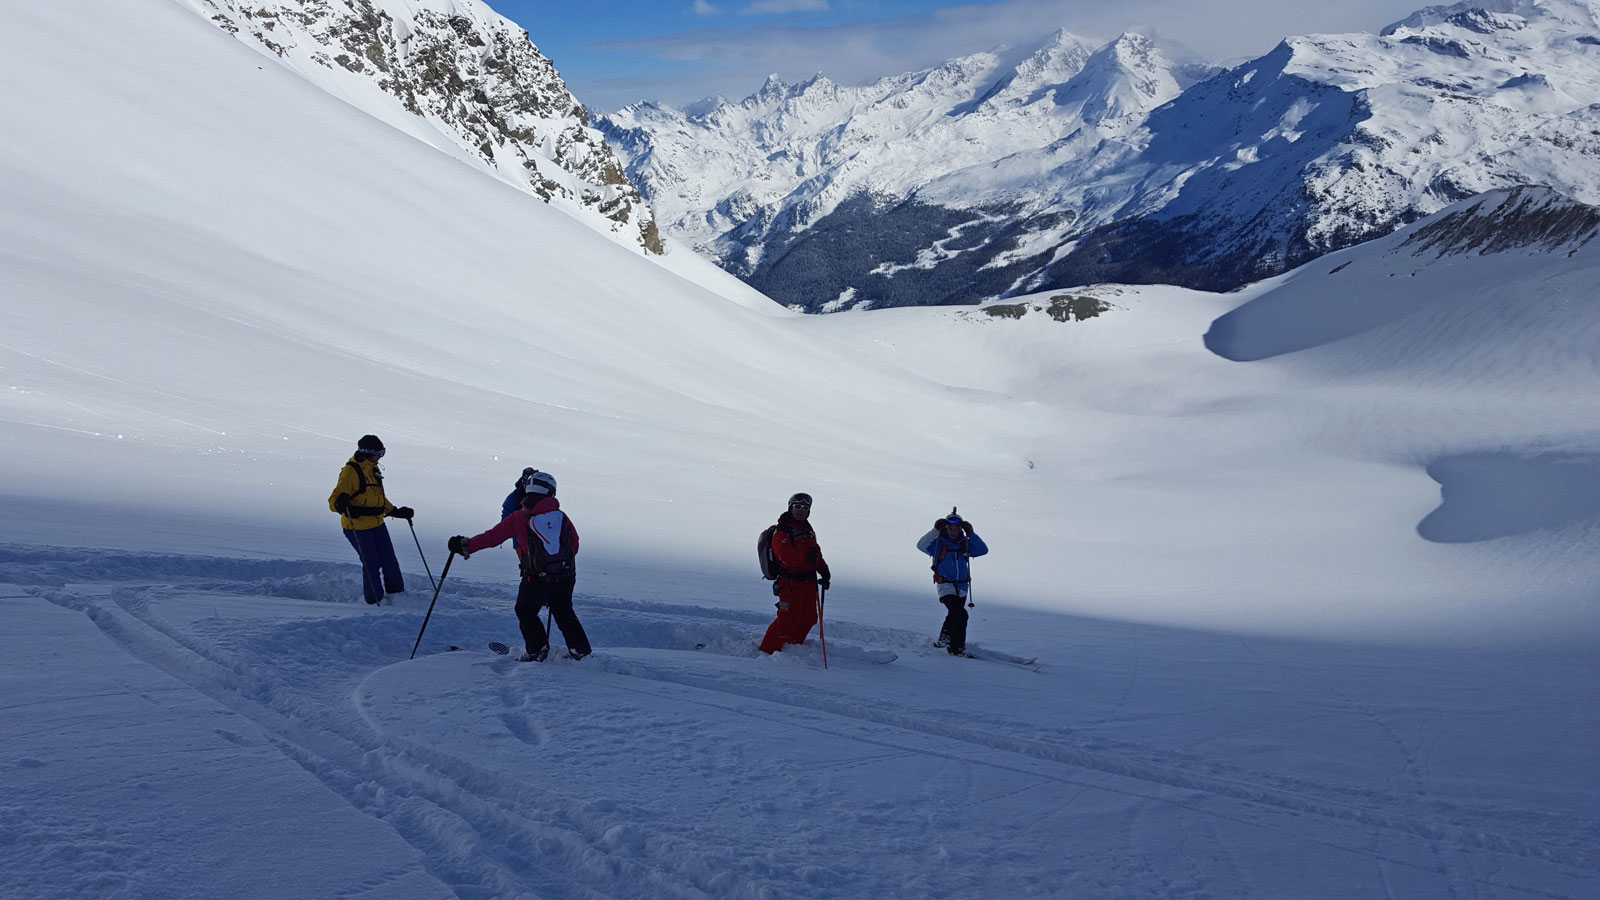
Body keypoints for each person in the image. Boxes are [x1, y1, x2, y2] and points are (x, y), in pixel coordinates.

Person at [448, 470, 591, 662]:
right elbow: (574, 544)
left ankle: (537, 650)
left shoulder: (518, 517)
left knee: (525, 611)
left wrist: (466, 546)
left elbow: (492, 537)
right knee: (563, 611)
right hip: (564, 576)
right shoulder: (561, 517)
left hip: (534, 577)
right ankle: (580, 649)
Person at [328, 434, 413, 605]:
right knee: (372, 563)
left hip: (377, 523)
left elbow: (378, 497)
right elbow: (333, 500)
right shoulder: (350, 472)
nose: (380, 457)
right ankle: (374, 601)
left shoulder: (374, 469)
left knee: (389, 559)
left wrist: (394, 511)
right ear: (368, 453)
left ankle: (397, 595)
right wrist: (340, 504)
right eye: (379, 453)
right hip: (357, 526)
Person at [758, 492, 831, 654]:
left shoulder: (807, 529)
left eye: (805, 507)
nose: (801, 510)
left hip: (808, 583)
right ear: (790, 508)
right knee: (788, 620)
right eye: (797, 506)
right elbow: (785, 557)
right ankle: (767, 651)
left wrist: (824, 571)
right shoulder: (782, 531)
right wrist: (805, 557)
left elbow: (816, 554)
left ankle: (792, 647)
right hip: (789, 583)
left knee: (809, 618)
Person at [916, 511, 988, 655]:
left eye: (956, 528)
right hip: (945, 586)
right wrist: (935, 530)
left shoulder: (965, 544)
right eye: (950, 527)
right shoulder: (938, 544)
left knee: (953, 615)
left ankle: (943, 642)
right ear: (945, 528)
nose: (953, 530)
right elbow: (921, 545)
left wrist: (971, 533)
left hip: (962, 587)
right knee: (961, 615)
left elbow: (983, 550)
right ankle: (956, 649)